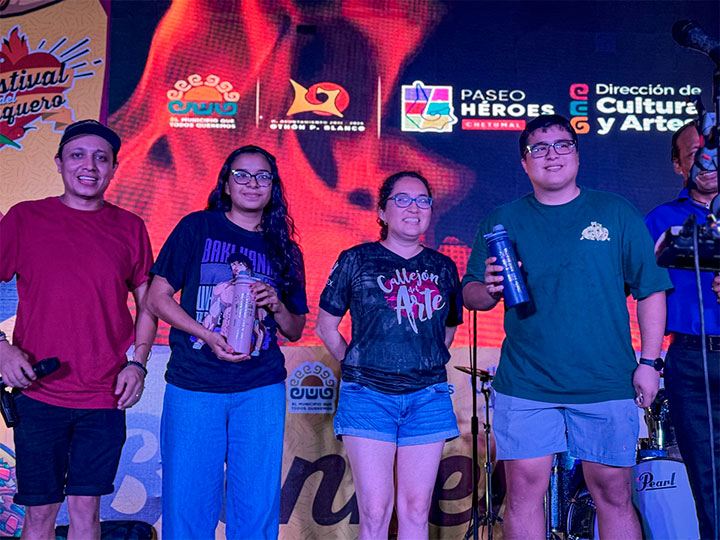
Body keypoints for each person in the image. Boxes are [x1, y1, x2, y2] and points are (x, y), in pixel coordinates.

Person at [462, 114, 672, 540]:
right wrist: (489, 288)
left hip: (605, 380)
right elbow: (470, 294)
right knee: (523, 492)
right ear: (524, 162)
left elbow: (651, 290)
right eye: (539, 148)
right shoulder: (503, 219)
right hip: (527, 383)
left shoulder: (614, 212)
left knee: (613, 492)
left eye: (562, 145)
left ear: (576, 154)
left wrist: (649, 362)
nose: (551, 155)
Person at [0, 119, 156, 540]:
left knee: (87, 514)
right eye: (78, 155)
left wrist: (138, 364)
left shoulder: (130, 227)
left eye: (101, 158)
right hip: (38, 393)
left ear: (113, 169)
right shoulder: (25, 218)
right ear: (59, 163)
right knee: (39, 516)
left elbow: (149, 304)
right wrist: (2, 348)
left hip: (104, 396)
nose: (89, 165)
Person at [146, 145, 307, 539]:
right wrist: (206, 335)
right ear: (227, 184)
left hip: (260, 388)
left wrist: (276, 304)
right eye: (242, 175)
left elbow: (295, 328)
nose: (252, 183)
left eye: (263, 176)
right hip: (195, 384)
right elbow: (157, 298)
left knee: (256, 506)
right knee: (188, 505)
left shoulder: (284, 248)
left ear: (273, 186)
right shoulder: (198, 227)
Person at [316, 172, 463, 540]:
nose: (414, 207)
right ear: (382, 211)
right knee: (375, 510)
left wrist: (424, 359)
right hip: (368, 397)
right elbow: (326, 326)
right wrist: (357, 363)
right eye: (402, 199)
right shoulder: (357, 260)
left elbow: (447, 330)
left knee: (416, 509)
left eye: (423, 200)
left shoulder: (443, 267)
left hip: (427, 398)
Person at [645, 121, 720, 539]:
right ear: (678, 165)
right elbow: (635, 289)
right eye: (695, 155)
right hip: (691, 362)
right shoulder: (660, 220)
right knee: (708, 484)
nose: (708, 162)